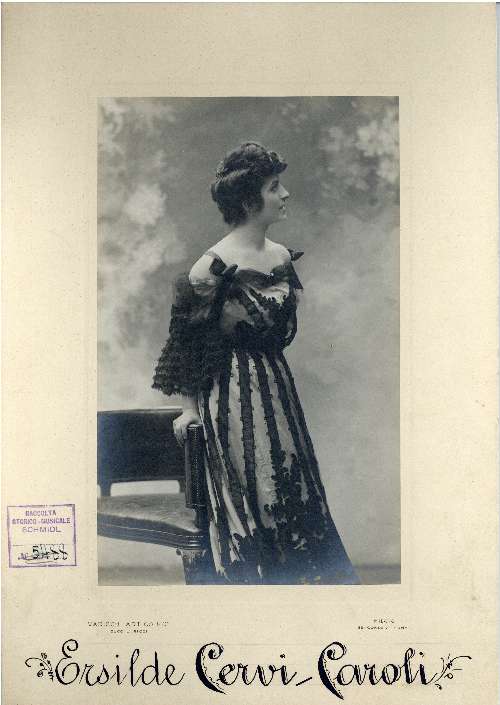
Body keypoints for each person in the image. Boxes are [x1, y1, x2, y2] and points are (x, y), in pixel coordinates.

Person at [153, 142, 360, 584]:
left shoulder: (281, 256)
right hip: (228, 394)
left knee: (291, 484)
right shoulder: (209, 269)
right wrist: (189, 409)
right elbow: (185, 346)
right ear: (249, 201)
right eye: (273, 187)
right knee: (253, 491)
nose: (284, 194)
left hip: (276, 388)